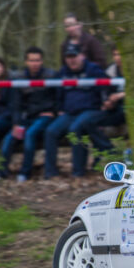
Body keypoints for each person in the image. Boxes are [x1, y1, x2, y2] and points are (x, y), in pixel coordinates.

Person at [43, 43, 111, 179]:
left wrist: (107, 101)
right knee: (50, 131)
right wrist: (58, 109)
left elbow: (107, 86)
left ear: (82, 56)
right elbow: (56, 94)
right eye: (68, 57)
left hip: (91, 110)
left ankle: (78, 171)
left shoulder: (93, 69)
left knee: (75, 128)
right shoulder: (63, 72)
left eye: (74, 56)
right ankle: (50, 172)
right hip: (69, 113)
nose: (71, 60)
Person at [1, 47, 57, 181]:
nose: (34, 63)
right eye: (32, 60)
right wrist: (16, 123)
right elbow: (16, 104)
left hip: (44, 117)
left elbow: (58, 98)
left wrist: (54, 112)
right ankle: (1, 172)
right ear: (26, 62)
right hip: (26, 117)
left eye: (37, 60)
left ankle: (25, 172)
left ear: (42, 61)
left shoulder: (51, 76)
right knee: (10, 138)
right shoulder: (19, 78)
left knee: (30, 134)